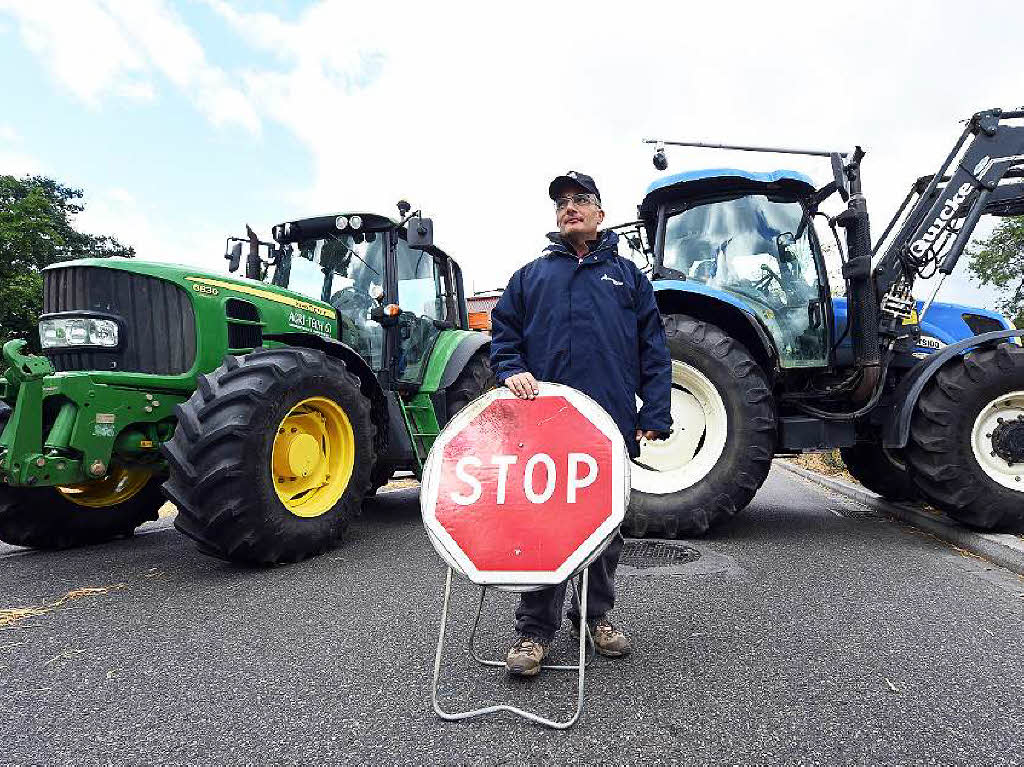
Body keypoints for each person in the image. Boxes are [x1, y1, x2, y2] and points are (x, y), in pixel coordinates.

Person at [489, 171, 672, 676]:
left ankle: (594, 617)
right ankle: (533, 631)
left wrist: (654, 411)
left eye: (581, 200)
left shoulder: (628, 277)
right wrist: (511, 369)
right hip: (543, 429)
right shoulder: (531, 277)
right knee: (543, 525)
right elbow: (503, 336)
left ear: (600, 214)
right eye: (562, 202)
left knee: (605, 527)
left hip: (608, 425)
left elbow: (653, 348)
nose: (570, 207)